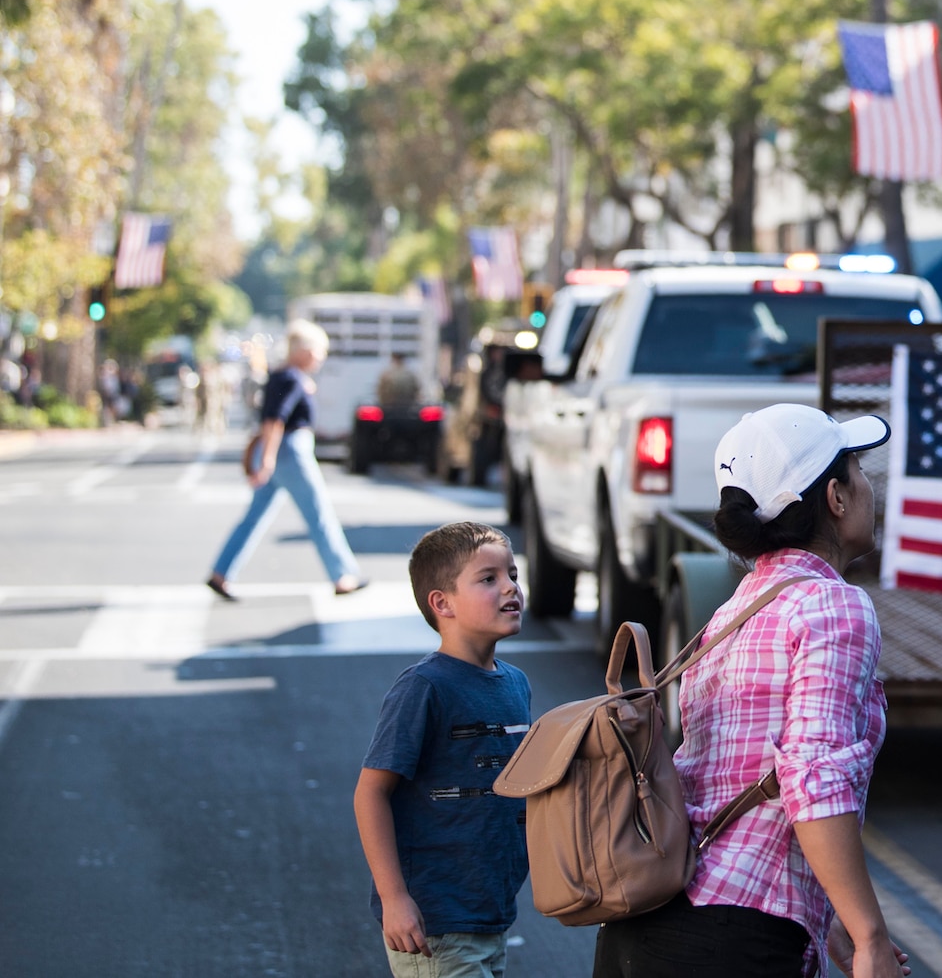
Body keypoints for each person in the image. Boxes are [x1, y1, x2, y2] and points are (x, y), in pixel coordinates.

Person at [594, 404, 910, 978]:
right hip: (731, 940)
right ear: (835, 497)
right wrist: (870, 937)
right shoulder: (832, 606)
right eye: (858, 472)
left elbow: (722, 779)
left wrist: (830, 917)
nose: (868, 488)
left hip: (644, 928)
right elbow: (813, 778)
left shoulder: (733, 611)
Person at [354, 522, 529, 978]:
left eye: (512, 574)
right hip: (436, 922)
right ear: (442, 603)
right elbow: (371, 793)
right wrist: (395, 899)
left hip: (491, 913)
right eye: (488, 579)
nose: (510, 587)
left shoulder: (516, 684)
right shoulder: (424, 688)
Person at [206, 319, 366, 599]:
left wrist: (265, 458)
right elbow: (274, 421)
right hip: (290, 451)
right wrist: (267, 460)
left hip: (278, 450)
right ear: (303, 350)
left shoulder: (283, 376)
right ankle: (342, 575)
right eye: (318, 351)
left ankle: (221, 573)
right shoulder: (291, 378)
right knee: (318, 513)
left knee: (254, 517)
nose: (320, 358)